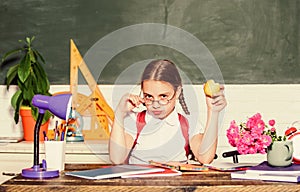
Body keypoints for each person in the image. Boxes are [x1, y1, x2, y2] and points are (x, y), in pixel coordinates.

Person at [109, 59, 227, 164]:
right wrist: (119, 114)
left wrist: (213, 112)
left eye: (163, 96)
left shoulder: (188, 123)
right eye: (149, 96)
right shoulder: (135, 121)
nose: (156, 105)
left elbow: (205, 158)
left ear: (177, 92)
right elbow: (117, 159)